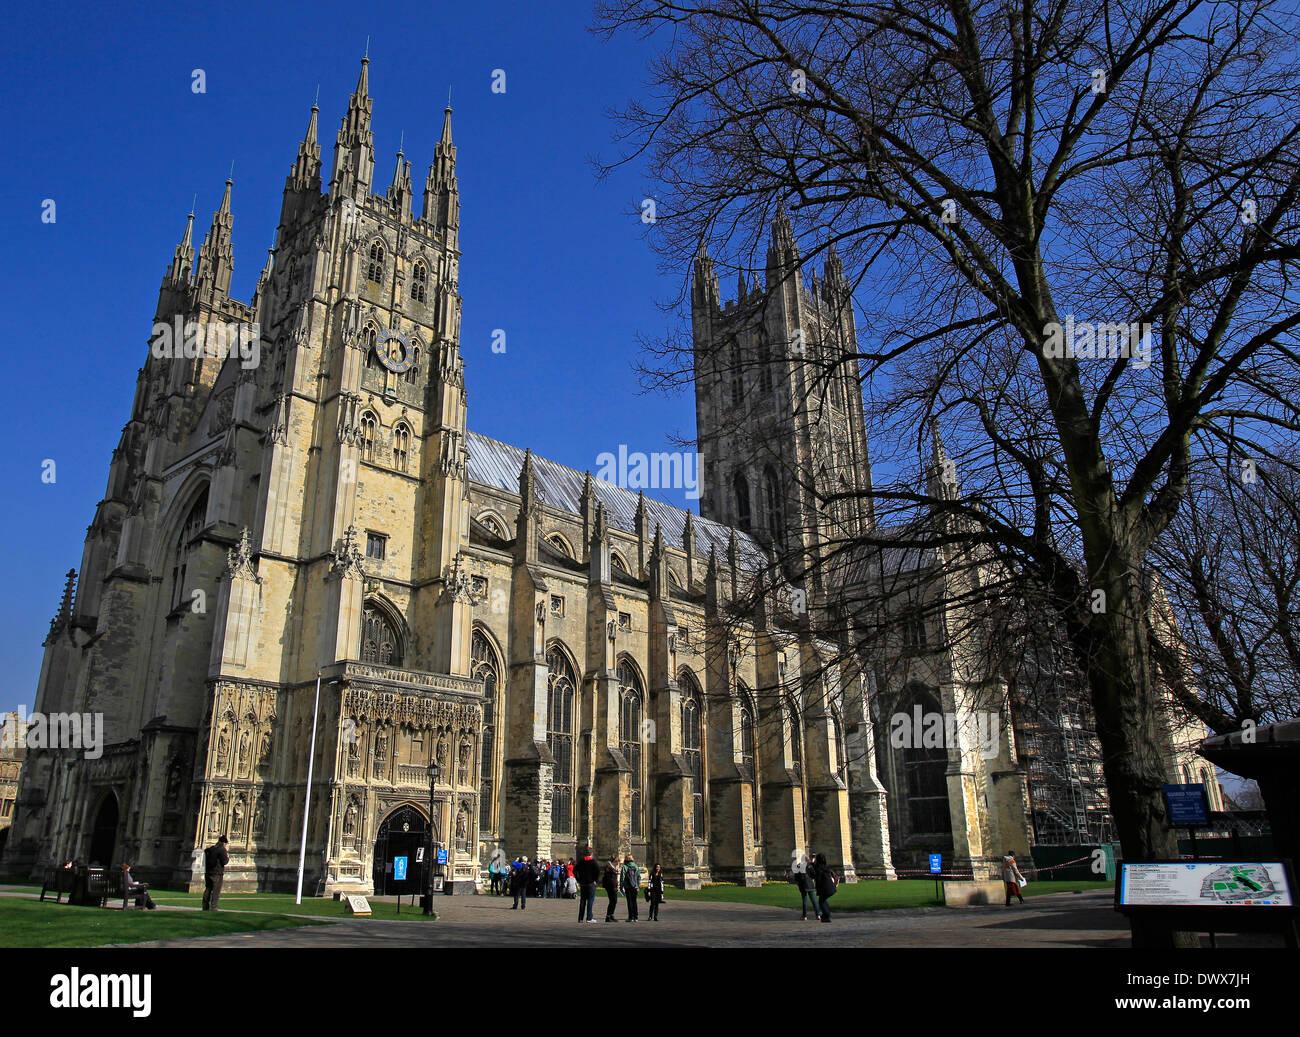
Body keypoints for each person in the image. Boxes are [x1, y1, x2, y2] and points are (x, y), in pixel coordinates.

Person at [203, 835, 229, 911]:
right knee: (216, 891)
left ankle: (205, 906)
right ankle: (213, 907)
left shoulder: (211, 849)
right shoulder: (222, 850)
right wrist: (228, 857)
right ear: (224, 843)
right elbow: (224, 861)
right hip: (217, 873)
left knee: (208, 889)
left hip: (208, 872)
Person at [575, 850, 600, 922]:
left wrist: (578, 879)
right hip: (591, 883)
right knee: (590, 900)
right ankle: (589, 918)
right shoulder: (593, 862)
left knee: (583, 900)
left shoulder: (581, 861)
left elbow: (575, 870)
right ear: (591, 854)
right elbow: (598, 871)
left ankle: (580, 918)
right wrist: (595, 880)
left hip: (583, 883)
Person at [813, 852, 837, 923]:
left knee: (822, 901)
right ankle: (826, 915)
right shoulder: (826, 867)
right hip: (830, 887)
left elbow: (818, 879)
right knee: (823, 901)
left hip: (825, 888)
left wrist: (818, 888)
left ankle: (826, 916)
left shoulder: (818, 868)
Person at [796, 853, 819, 920]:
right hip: (810, 884)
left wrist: (798, 883)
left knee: (805, 900)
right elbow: (814, 874)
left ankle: (805, 916)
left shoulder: (799, 866)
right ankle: (818, 915)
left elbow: (796, 876)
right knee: (813, 900)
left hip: (803, 885)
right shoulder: (810, 866)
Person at [620, 854, 640, 921]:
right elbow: (638, 877)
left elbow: (622, 877)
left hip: (627, 886)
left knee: (629, 902)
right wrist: (637, 885)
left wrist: (621, 886)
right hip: (635, 886)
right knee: (634, 901)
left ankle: (630, 917)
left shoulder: (625, 867)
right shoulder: (636, 866)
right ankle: (636, 917)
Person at [602, 857, 620, 922]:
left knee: (614, 901)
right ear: (614, 862)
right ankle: (608, 916)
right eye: (617, 862)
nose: (618, 863)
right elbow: (610, 878)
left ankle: (611, 914)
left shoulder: (613, 868)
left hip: (613, 886)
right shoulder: (609, 867)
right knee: (613, 900)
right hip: (611, 886)